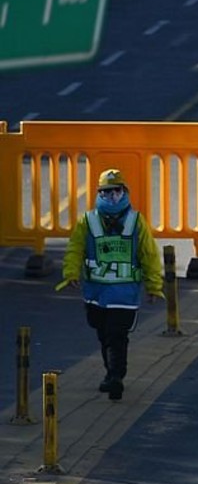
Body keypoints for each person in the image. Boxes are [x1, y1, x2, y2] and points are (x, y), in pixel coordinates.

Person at [58, 169, 164, 401]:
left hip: (124, 295)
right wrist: (71, 273)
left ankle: (116, 376)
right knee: (104, 335)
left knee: (116, 336)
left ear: (125, 192)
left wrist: (154, 286)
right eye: (106, 192)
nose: (112, 196)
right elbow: (75, 249)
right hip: (96, 294)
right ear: (99, 193)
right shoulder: (88, 221)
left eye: (116, 191)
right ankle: (111, 373)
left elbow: (149, 255)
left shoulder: (136, 221)